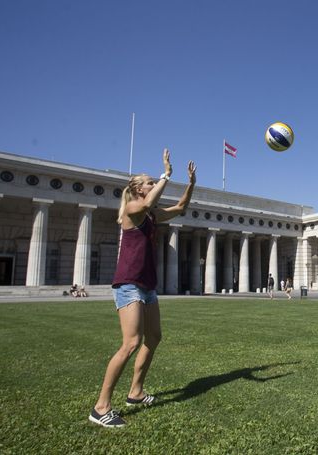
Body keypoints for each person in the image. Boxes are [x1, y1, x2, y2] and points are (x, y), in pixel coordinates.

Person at [89, 149, 197, 428]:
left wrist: (191, 184)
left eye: (153, 181)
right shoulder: (133, 210)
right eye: (148, 182)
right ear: (137, 188)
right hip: (128, 284)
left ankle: (135, 393)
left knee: (154, 337)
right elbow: (149, 203)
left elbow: (180, 209)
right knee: (131, 343)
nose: (151, 184)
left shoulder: (150, 215)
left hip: (147, 285)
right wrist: (165, 175)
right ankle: (101, 408)